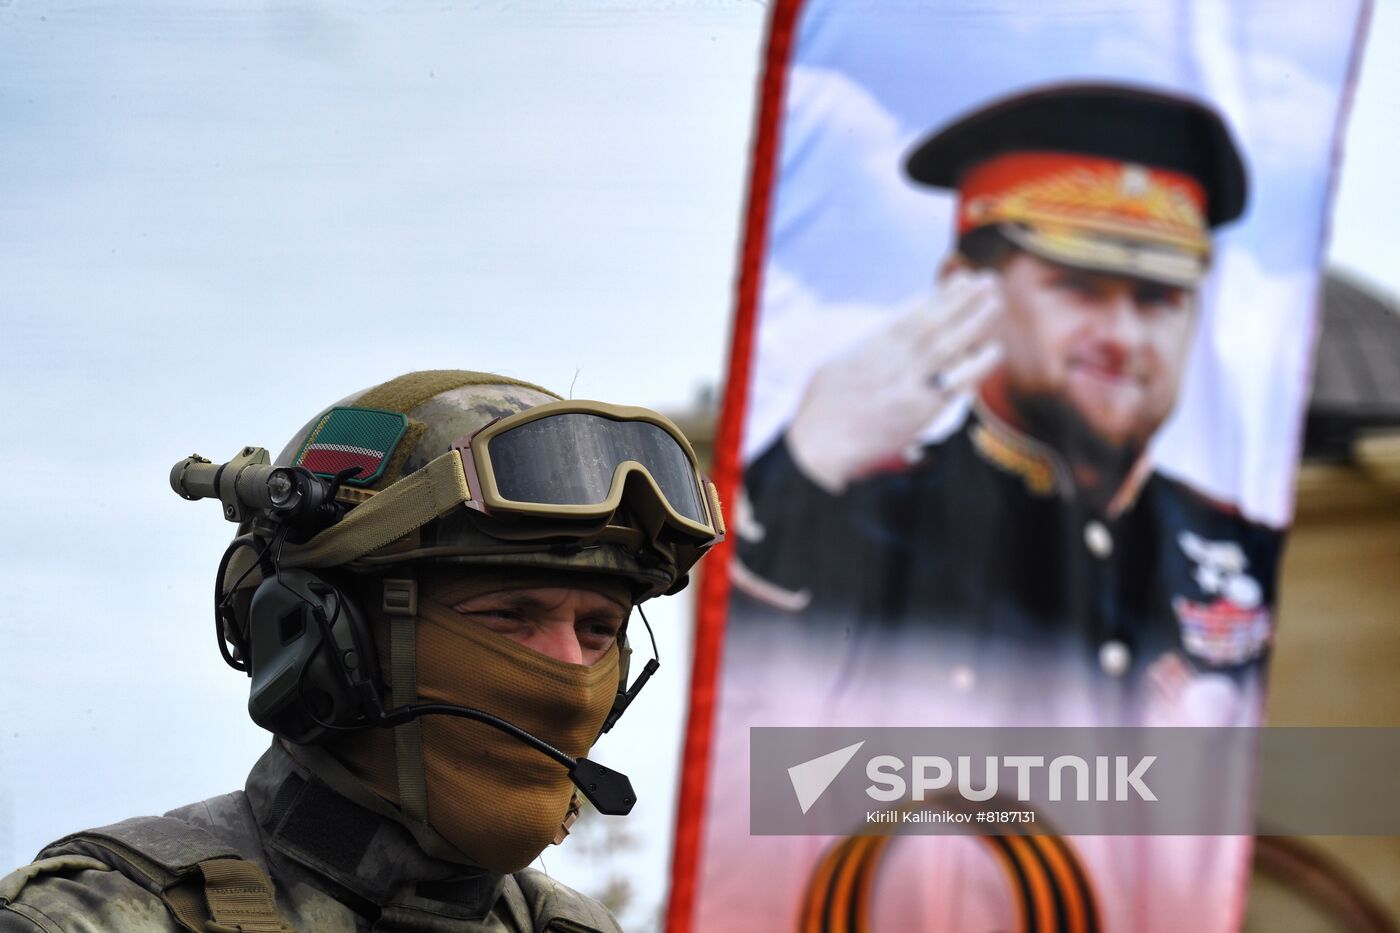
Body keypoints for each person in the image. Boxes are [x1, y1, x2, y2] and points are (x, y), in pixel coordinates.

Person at [0, 370, 723, 932]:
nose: (569, 671)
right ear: (322, 637)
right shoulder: (97, 916)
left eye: (598, 628)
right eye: (510, 615)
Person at [733, 84, 1280, 694]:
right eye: (1079, 286)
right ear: (965, 290)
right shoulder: (853, 519)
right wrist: (801, 473)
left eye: (1158, 299)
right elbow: (744, 714)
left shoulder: (1243, 548)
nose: (1124, 336)